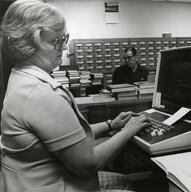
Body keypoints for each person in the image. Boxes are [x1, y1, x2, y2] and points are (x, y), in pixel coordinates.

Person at [0, 0, 150, 191]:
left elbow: (69, 136)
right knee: (127, 184)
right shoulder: (39, 93)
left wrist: (111, 125)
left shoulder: (21, 76)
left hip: (28, 181)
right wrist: (128, 131)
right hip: (49, 185)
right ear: (30, 44)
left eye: (65, 38)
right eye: (57, 40)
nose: (64, 47)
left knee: (122, 179)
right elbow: (87, 165)